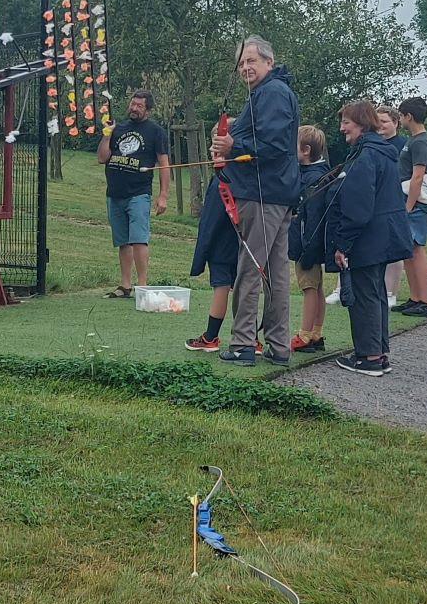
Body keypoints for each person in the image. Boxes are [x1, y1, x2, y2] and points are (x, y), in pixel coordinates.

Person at [211, 36, 301, 367]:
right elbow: (267, 136)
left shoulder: (273, 92)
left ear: (269, 61)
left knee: (251, 268)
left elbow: (272, 143)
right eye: (241, 63)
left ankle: (243, 343)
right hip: (278, 193)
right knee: (276, 272)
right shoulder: (269, 92)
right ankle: (278, 345)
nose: (246, 67)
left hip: (264, 194)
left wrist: (233, 144)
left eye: (252, 61)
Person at [327, 99, 411, 376]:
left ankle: (369, 356)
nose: (342, 128)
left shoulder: (364, 158)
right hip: (385, 236)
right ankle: (380, 352)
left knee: (364, 296)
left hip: (368, 237)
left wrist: (343, 244)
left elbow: (358, 208)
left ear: (361, 124)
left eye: (346, 123)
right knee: (376, 295)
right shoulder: (384, 152)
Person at [97, 90, 171, 298]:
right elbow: (102, 158)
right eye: (133, 104)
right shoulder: (117, 129)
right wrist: (106, 135)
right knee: (123, 241)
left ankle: (142, 286)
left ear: (147, 109)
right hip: (115, 193)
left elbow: (164, 165)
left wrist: (163, 195)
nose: (134, 108)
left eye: (139, 106)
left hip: (139, 193)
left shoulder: (155, 132)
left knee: (139, 239)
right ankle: (125, 286)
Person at [182, 164, 239, 353]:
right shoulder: (246, 177)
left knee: (221, 287)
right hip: (241, 243)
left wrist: (203, 251)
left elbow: (210, 221)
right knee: (243, 287)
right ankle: (249, 337)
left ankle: (210, 337)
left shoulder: (222, 180)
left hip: (221, 245)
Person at [393, 97, 427, 318]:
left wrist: (408, 207)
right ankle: (415, 298)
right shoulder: (412, 140)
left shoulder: (420, 142)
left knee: (417, 250)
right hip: (406, 198)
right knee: (408, 250)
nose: (400, 120)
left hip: (415, 202)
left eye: (400, 116)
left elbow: (417, 176)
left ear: (408, 117)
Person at [288, 124, 333, 353]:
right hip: (311, 243)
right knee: (316, 288)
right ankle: (316, 332)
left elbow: (312, 217)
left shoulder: (313, 179)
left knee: (308, 287)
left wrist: (307, 247)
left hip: (307, 244)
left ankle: (305, 335)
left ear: (305, 150)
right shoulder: (318, 174)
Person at [374, 104, 408, 307]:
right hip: (375, 200)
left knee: (394, 245)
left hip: (396, 200)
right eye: (377, 122)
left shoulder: (403, 145)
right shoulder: (371, 144)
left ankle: (390, 292)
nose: (380, 126)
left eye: (384, 122)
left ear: (395, 123)